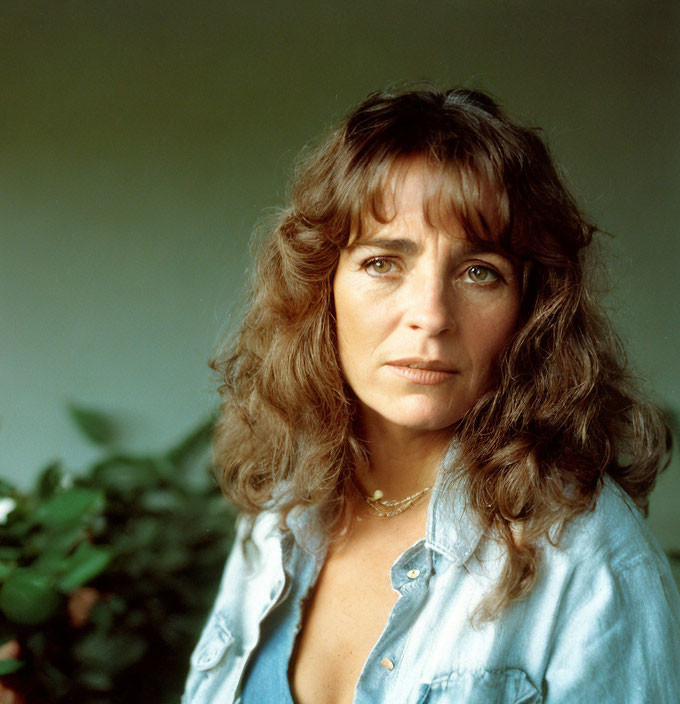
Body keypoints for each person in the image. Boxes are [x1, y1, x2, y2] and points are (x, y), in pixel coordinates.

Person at [182, 86, 680, 704]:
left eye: (479, 272)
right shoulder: (281, 516)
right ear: (322, 289)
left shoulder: (591, 559)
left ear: (530, 310)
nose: (431, 315)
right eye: (384, 263)